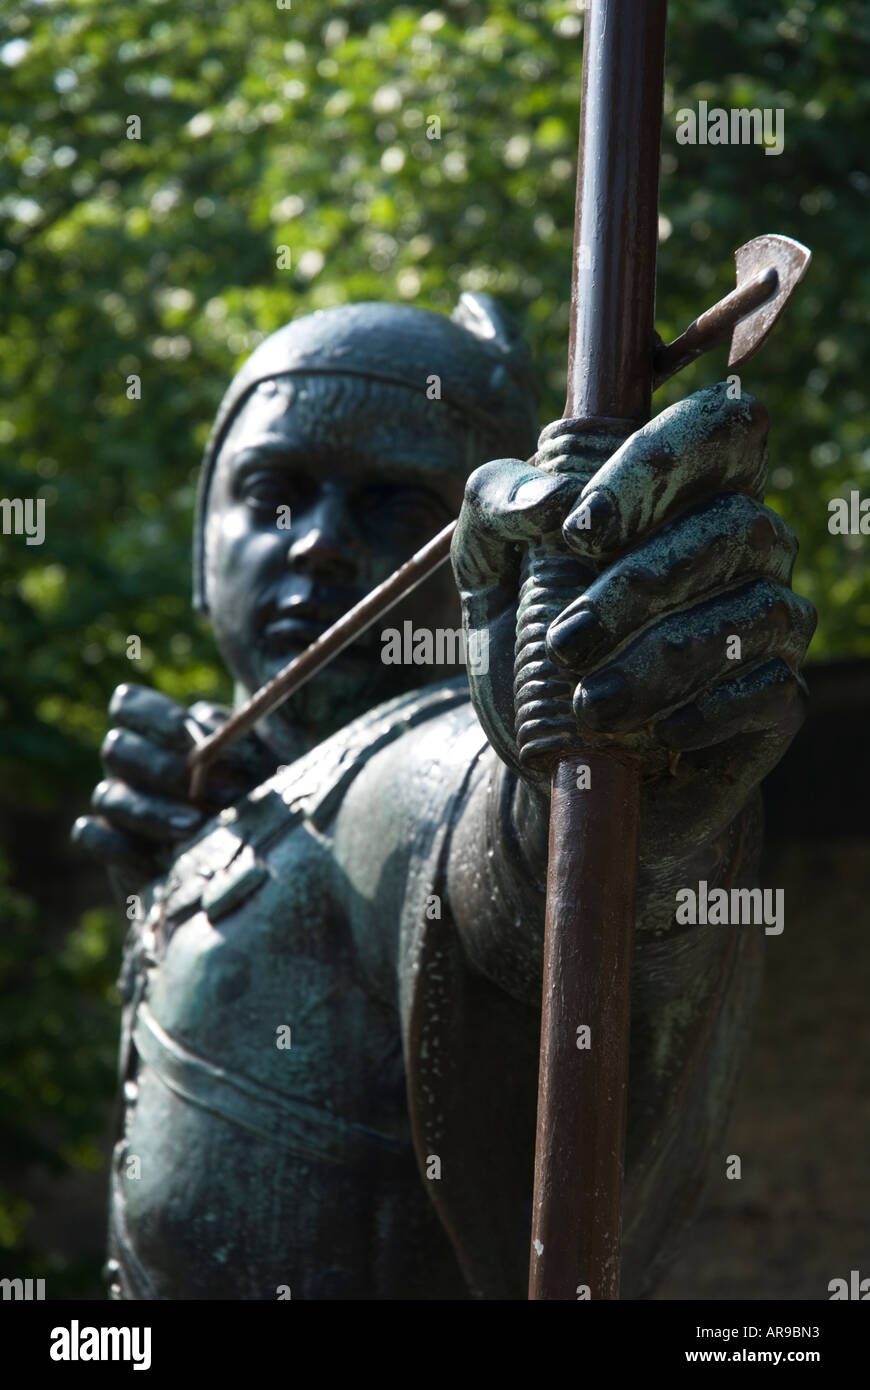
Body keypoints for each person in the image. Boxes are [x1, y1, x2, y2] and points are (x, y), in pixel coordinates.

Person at [74, 294, 815, 1299]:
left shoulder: (425, 764)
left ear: (492, 551)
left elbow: (503, 848)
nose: (319, 544)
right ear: (200, 551)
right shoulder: (228, 791)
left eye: (398, 507)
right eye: (275, 491)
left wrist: (614, 778)